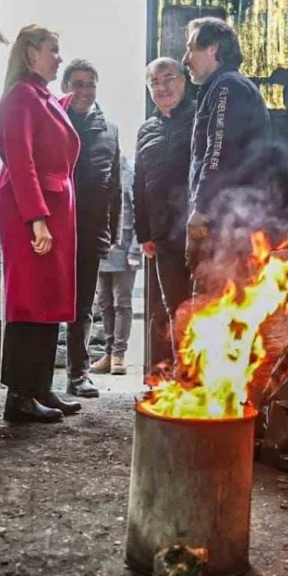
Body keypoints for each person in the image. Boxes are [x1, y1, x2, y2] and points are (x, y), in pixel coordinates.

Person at [0, 24, 83, 423]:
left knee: (49, 301)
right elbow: (21, 161)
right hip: (32, 212)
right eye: (53, 49)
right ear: (31, 53)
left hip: (52, 211)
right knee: (29, 301)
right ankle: (19, 396)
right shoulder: (19, 98)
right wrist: (36, 220)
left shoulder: (42, 97)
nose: (59, 58)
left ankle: (40, 386)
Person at [181, 17, 273, 291]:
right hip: (232, 219)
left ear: (213, 50)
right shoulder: (224, 87)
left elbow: (218, 151)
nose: (185, 59)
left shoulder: (227, 87)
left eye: (191, 48)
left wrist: (201, 209)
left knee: (217, 301)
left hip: (228, 224)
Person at [61, 59, 122, 399]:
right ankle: (35, 380)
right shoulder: (54, 122)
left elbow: (113, 186)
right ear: (65, 87)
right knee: (47, 304)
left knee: (83, 306)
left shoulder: (109, 130)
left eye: (90, 84)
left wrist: (111, 231)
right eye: (77, 83)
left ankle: (78, 375)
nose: (84, 91)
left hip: (90, 230)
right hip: (54, 230)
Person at [133, 57, 195, 365]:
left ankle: (210, 379)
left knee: (204, 307)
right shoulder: (146, 129)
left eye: (168, 78)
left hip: (199, 232)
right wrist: (143, 232)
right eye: (154, 83)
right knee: (173, 309)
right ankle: (182, 375)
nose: (162, 87)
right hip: (163, 236)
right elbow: (139, 184)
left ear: (184, 80)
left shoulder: (201, 118)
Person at [90, 154, 142, 376]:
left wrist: (135, 249)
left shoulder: (131, 172)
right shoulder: (99, 169)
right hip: (103, 248)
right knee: (104, 303)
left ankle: (119, 354)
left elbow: (140, 212)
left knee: (122, 303)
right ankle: (109, 353)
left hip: (125, 248)